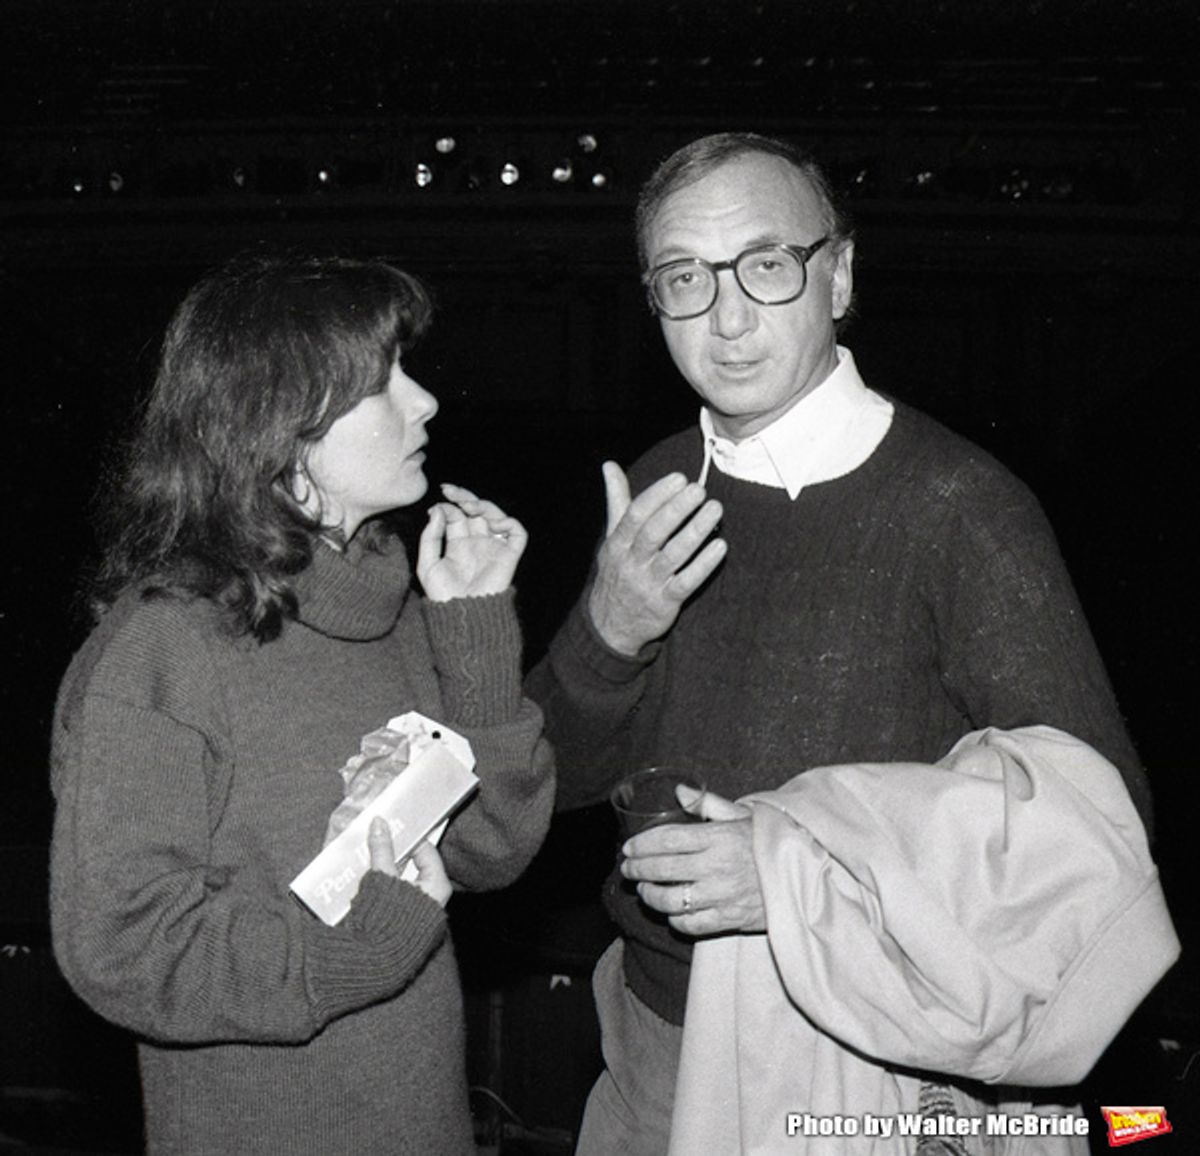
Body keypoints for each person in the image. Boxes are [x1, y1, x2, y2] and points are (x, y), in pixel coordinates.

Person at [526, 132, 1167, 1153]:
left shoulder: (962, 508)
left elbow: (1101, 821)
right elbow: (549, 780)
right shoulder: (653, 483)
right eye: (685, 278)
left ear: (840, 276)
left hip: (857, 1054)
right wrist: (611, 632)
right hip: (650, 1039)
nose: (726, 318)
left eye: (767, 265)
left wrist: (789, 873)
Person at [50, 253, 554, 1155]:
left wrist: (474, 632)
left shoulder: (398, 611)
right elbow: (123, 947)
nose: (425, 401)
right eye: (383, 382)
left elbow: (488, 852)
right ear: (278, 424)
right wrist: (357, 945)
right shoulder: (163, 651)